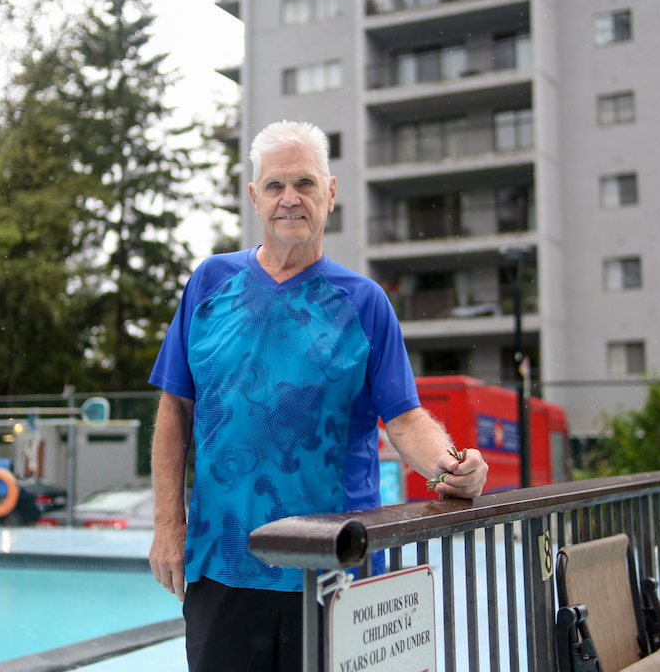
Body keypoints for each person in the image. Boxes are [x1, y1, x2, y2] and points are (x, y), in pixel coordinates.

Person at [148, 121, 488, 672]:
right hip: (223, 562)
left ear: (330, 193)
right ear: (255, 197)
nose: (290, 199)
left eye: (305, 183)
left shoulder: (364, 302)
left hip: (337, 565)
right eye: (276, 185)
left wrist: (452, 469)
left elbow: (403, 418)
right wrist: (169, 523)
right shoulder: (210, 283)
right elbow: (174, 410)